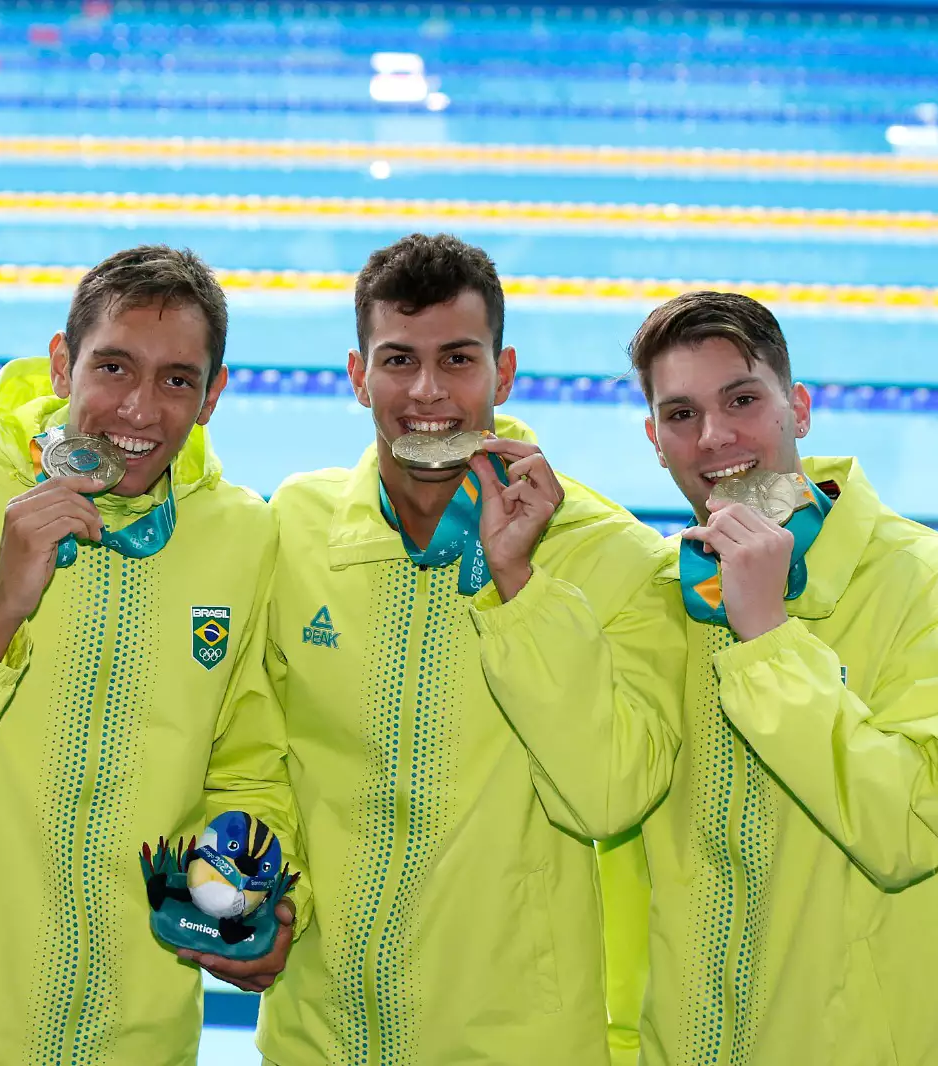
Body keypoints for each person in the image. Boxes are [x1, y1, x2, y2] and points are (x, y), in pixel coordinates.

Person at [0, 245, 306, 1065]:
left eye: (176, 381)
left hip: (135, 1040)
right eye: (114, 366)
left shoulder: (238, 537)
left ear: (212, 398)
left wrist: (251, 884)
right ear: (62, 364)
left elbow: (248, 761)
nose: (138, 409)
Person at [255, 233, 683, 1065]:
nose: (426, 392)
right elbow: (256, 753)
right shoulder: (295, 529)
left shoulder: (611, 558)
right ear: (357, 376)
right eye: (397, 360)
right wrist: (264, 889)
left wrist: (519, 587)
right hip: (317, 1037)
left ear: (504, 371)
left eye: (457, 359)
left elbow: (609, 798)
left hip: (512, 1046)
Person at [620, 290, 938, 1065]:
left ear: (798, 407)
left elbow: (906, 831)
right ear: (655, 440)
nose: (716, 436)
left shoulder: (937, 587)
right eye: (682, 414)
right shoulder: (662, 596)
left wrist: (768, 636)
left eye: (742, 400)